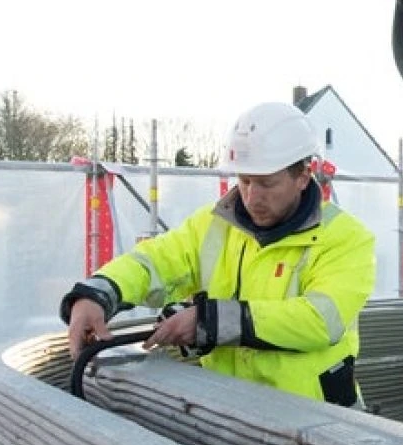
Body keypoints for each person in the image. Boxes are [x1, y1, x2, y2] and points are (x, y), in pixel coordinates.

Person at [60, 102, 376, 406]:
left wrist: (209, 321)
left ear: (303, 176)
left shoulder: (347, 238)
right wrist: (97, 294)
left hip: (321, 426)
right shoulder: (214, 226)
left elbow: (319, 322)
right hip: (230, 415)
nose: (253, 197)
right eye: (245, 180)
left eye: (267, 183)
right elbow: (154, 261)